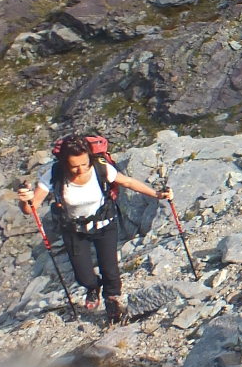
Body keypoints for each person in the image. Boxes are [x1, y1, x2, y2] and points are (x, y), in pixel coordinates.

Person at [18, 135, 172, 323]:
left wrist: (157, 194)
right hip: (74, 230)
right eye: (74, 166)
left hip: (105, 225)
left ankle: (112, 304)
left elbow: (128, 182)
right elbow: (30, 209)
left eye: (84, 163)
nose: (81, 169)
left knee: (111, 272)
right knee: (83, 276)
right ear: (64, 163)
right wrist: (25, 200)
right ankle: (93, 287)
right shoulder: (54, 173)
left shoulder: (100, 167)